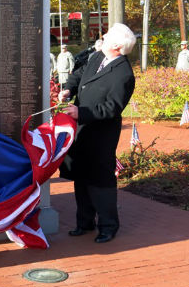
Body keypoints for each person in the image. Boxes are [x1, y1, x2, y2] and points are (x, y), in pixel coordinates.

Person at [58, 23, 136, 244]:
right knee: (81, 178)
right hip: (82, 130)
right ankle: (84, 223)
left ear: (118, 46)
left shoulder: (123, 74)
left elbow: (112, 108)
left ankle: (108, 227)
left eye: (108, 35)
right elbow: (79, 75)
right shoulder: (97, 57)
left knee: (101, 183)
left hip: (100, 136)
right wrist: (68, 89)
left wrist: (80, 112)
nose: (104, 36)